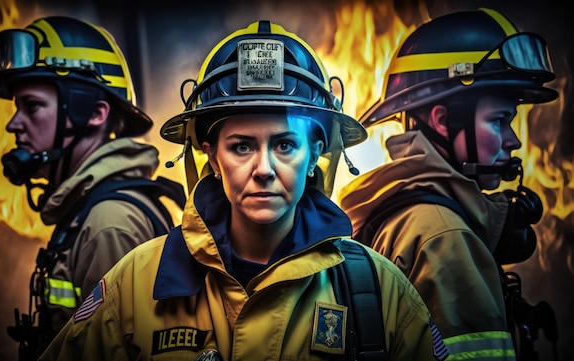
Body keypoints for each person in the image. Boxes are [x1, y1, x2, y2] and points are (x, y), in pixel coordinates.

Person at [39, 20, 449, 361]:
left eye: (285, 145)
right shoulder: (135, 284)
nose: (264, 170)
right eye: (241, 146)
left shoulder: (378, 289)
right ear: (212, 159)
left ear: (315, 157)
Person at [338, 8, 559, 361]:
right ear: (442, 121)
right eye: (499, 121)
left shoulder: (402, 207)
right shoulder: (442, 236)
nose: (513, 141)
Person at [0, 16, 185, 360]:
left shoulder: (109, 223)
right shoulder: (89, 211)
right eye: (17, 107)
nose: (13, 123)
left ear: (95, 113)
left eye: (32, 106)